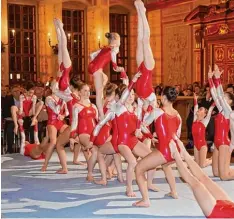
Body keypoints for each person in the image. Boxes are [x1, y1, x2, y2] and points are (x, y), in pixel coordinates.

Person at [133, 86, 181, 207]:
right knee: (166, 166)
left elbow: (143, 125)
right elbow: (176, 135)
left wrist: (150, 134)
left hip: (164, 150)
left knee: (139, 168)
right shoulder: (178, 115)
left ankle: (145, 200)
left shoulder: (157, 111)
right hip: (175, 150)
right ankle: (174, 191)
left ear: (164, 98)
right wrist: (157, 135)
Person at [169, 136, 234, 218]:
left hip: (215, 212)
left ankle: (175, 154)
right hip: (230, 205)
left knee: (195, 183)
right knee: (205, 178)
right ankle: (184, 153)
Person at [88, 32, 126, 120]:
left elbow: (91, 55)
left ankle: (102, 101)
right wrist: (121, 69)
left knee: (105, 78)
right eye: (119, 40)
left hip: (96, 67)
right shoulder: (113, 50)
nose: (120, 43)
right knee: (99, 92)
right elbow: (115, 68)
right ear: (116, 41)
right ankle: (101, 115)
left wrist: (95, 63)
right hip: (96, 68)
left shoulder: (106, 47)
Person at [134, 0, 157, 138]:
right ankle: (143, 13)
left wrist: (139, 126)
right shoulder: (150, 103)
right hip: (148, 68)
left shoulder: (140, 103)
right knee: (145, 41)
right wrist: (148, 132)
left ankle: (138, 13)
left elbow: (138, 115)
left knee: (139, 39)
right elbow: (154, 106)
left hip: (140, 69)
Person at [208, 65, 234, 180]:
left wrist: (217, 79)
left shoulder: (228, 111)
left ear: (230, 101)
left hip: (224, 143)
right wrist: (210, 79)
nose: (222, 97)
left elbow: (219, 96)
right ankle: (227, 169)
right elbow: (215, 95)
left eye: (225, 96)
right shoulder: (221, 109)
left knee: (224, 177)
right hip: (217, 142)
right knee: (216, 174)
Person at [11, 82, 41, 154]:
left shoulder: (34, 97)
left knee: (41, 103)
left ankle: (37, 141)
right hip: (23, 113)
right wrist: (20, 117)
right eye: (30, 92)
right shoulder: (22, 96)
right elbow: (21, 108)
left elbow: (33, 109)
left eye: (32, 92)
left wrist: (34, 117)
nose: (31, 94)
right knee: (13, 107)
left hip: (30, 114)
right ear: (26, 91)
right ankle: (16, 125)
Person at [192, 93, 215, 167]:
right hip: (195, 145)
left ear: (205, 114)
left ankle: (212, 160)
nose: (199, 109)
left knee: (202, 165)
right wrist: (195, 99)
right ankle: (207, 160)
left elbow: (211, 108)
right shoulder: (194, 120)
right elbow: (195, 106)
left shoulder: (204, 122)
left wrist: (217, 100)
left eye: (201, 109)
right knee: (197, 165)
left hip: (202, 145)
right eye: (199, 108)